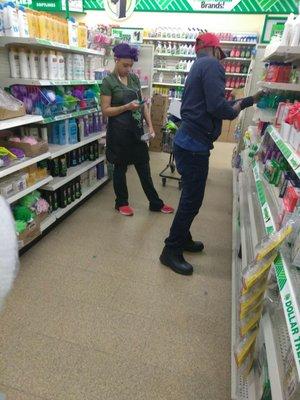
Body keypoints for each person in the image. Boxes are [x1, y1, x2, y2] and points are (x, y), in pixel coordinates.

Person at [160, 32, 262, 275]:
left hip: (187, 141)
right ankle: (170, 250)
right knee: (192, 200)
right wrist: (243, 104)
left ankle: (183, 238)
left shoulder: (197, 65)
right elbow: (219, 108)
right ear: (216, 50)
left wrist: (245, 102)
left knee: (189, 195)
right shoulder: (213, 65)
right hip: (194, 145)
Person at [101, 43, 174, 216]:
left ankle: (155, 203)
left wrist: (150, 125)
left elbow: (142, 106)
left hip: (136, 130)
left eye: (130, 65)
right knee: (120, 168)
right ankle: (121, 202)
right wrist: (126, 107)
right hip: (118, 133)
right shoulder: (108, 82)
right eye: (124, 65)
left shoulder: (134, 79)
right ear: (115, 60)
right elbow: (105, 111)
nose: (127, 69)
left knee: (144, 166)